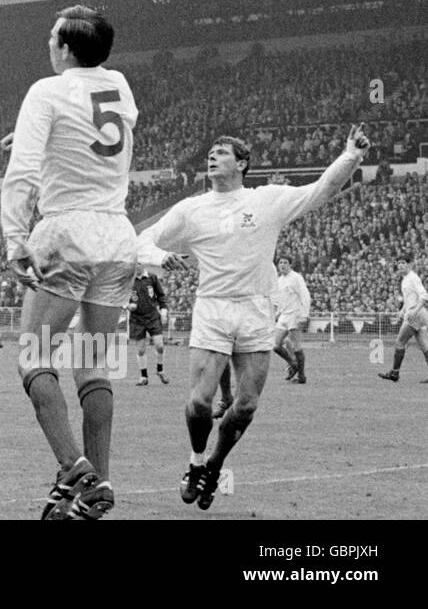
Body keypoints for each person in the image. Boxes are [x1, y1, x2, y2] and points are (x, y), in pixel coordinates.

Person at [138, 127, 369, 510]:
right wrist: (159, 257)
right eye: (210, 152)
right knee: (199, 403)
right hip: (212, 306)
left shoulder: (266, 201)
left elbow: (320, 192)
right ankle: (195, 463)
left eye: (222, 152)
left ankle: (213, 466)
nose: (212, 156)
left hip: (257, 309)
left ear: (242, 163)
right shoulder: (191, 209)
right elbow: (142, 239)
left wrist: (351, 156)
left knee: (245, 405)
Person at [3, 4, 137, 521]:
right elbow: (99, 139)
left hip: (67, 232)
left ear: (65, 47)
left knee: (34, 356)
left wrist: (16, 237)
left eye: (52, 36)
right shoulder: (121, 86)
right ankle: (96, 487)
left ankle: (72, 468)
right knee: (92, 361)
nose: (48, 44)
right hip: (117, 234)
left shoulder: (46, 90)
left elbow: (22, 174)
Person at [378, 255, 428, 383]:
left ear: (409, 264)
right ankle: (394, 373)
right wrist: (402, 310)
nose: (400, 265)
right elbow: (410, 299)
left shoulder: (413, 278)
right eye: (399, 263)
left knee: (400, 342)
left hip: (415, 314)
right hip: (417, 313)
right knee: (424, 345)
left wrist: (414, 311)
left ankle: (394, 374)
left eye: (403, 263)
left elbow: (424, 296)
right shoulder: (405, 279)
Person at [273, 256, 310, 384]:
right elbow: (280, 300)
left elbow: (305, 296)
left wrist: (304, 315)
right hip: (284, 315)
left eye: (285, 262)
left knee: (296, 346)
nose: (282, 265)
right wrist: (276, 313)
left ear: (290, 265)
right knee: (275, 345)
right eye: (280, 262)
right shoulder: (279, 280)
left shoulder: (296, 278)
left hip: (295, 315)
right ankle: (293, 363)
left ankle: (302, 376)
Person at [129, 271, 169, 386]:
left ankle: (160, 369)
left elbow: (161, 296)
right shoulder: (128, 279)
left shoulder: (152, 277)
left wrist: (164, 311)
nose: (138, 265)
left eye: (140, 262)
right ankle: (143, 376)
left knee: (159, 345)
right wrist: (127, 306)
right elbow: (120, 296)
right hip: (137, 320)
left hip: (152, 317)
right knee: (141, 349)